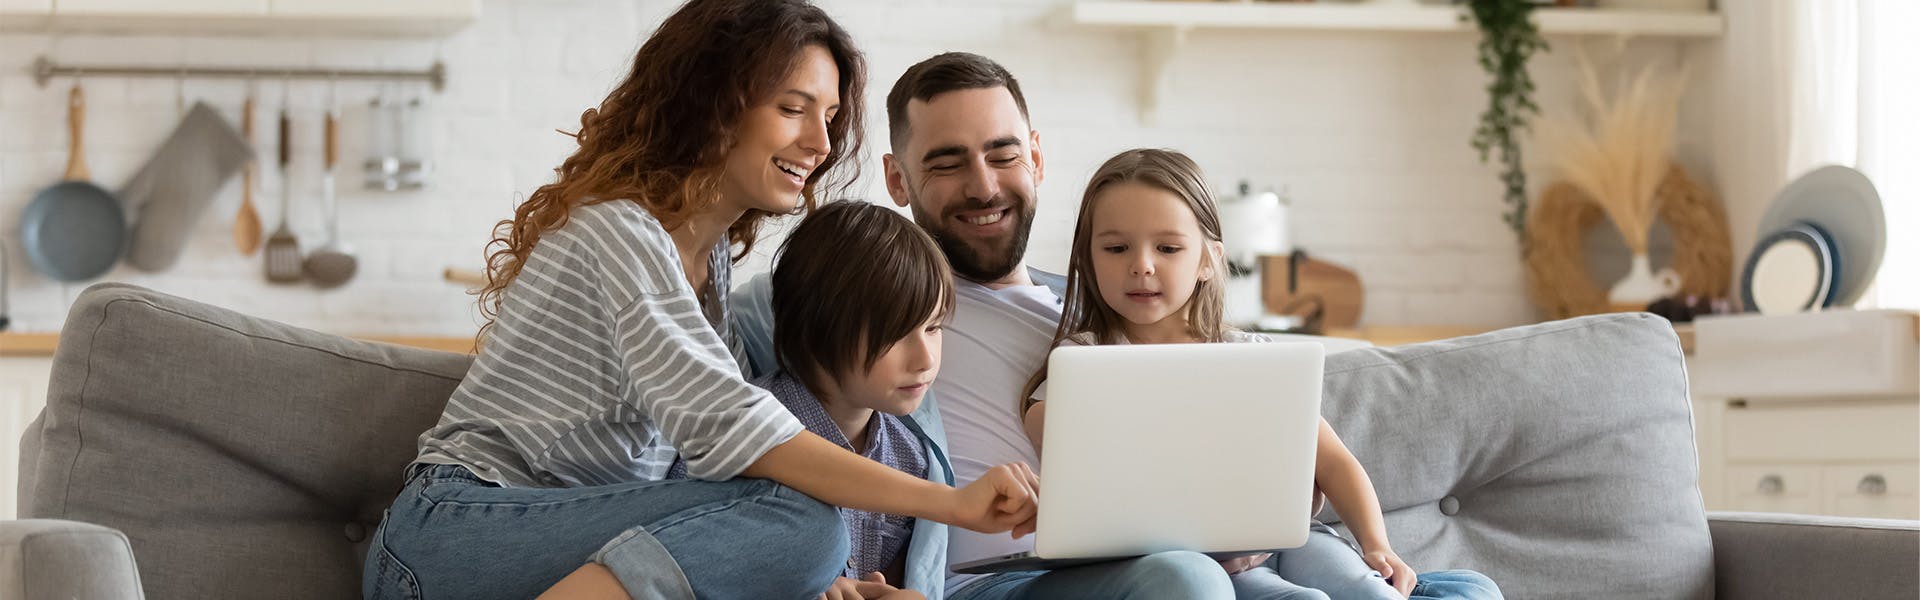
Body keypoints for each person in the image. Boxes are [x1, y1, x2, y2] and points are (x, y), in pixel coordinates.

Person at [736, 51, 1502, 600]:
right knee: (1189, 576)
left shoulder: (1104, 308)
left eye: (1003, 154)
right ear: (899, 180)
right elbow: (748, 415)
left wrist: (1258, 503)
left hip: (1166, 558)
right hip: (1003, 578)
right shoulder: (852, 302)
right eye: (947, 162)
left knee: (1461, 590)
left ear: (1035, 157)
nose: (983, 185)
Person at [362, 4, 1037, 599]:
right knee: (802, 521)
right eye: (793, 108)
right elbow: (733, 431)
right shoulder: (619, 232)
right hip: (451, 536)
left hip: (562, 541)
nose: (821, 144)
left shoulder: (710, 264)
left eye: (829, 117)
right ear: (714, 103)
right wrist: (952, 503)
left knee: (802, 541)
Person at [1018, 148, 1501, 600]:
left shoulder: (1248, 356)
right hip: (1187, 561)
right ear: (1086, 257)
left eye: (1167, 248)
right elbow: (1056, 446)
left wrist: (1377, 545)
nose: (1141, 266)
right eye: (1117, 248)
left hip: (1294, 538)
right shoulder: (1084, 360)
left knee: (1367, 591)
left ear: (1208, 260)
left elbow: (1333, 462)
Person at [668, 200, 963, 600]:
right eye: (895, 334)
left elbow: (892, 579)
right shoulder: (740, 431)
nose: (925, 359)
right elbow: (679, 559)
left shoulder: (910, 458)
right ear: (817, 330)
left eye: (933, 327)